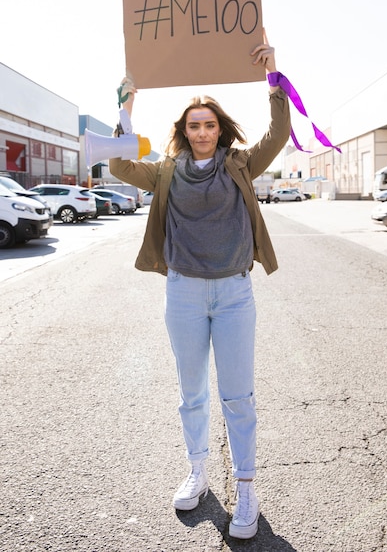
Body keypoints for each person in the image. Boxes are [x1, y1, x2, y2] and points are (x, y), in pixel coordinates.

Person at [109, 31, 291, 540]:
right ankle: (197, 470)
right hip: (184, 294)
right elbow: (120, 164)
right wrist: (125, 110)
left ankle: (247, 486)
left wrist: (271, 77)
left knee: (239, 396)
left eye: (210, 124)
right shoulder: (166, 171)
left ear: (220, 129)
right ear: (184, 131)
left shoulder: (240, 164)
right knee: (192, 393)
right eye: (195, 125)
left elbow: (277, 134)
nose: (203, 131)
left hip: (234, 293)